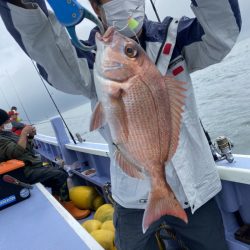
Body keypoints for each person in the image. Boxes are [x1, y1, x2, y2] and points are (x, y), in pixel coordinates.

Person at [0, 0, 242, 249]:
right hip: (134, 197)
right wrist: (23, 5)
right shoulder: (92, 60)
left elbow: (220, 33)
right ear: (95, 6)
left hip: (196, 190)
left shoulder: (174, 39)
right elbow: (50, 53)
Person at [0, 108, 89, 220]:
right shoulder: (1, 139)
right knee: (59, 175)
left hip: (28, 166)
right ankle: (68, 206)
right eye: (7, 121)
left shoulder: (7, 134)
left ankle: (59, 201)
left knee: (59, 171)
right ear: (1, 125)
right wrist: (23, 133)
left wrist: (30, 137)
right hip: (20, 173)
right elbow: (16, 152)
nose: (10, 123)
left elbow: (26, 149)